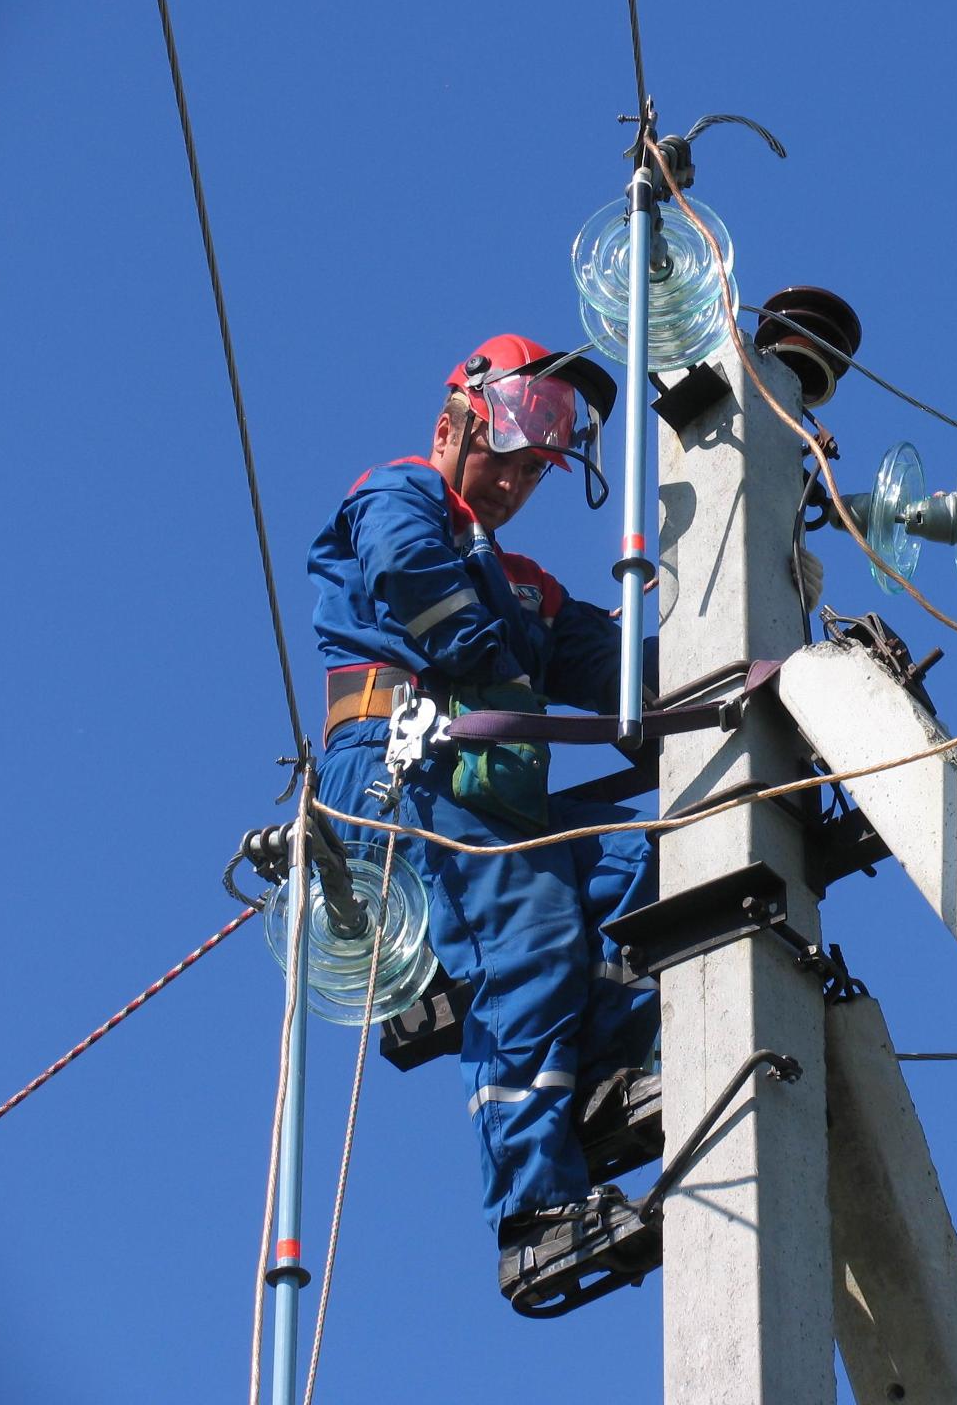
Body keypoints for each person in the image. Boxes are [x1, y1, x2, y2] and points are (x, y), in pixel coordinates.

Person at [307, 333, 661, 1308]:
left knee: (648, 863)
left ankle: (597, 1084)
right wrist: (517, 640)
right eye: (508, 444)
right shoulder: (401, 493)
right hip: (399, 780)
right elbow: (420, 583)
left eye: (542, 459)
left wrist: (732, 652)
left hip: (491, 796)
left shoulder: (528, 585)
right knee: (536, 935)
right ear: (451, 423)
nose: (519, 475)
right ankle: (537, 1214)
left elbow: (622, 669)